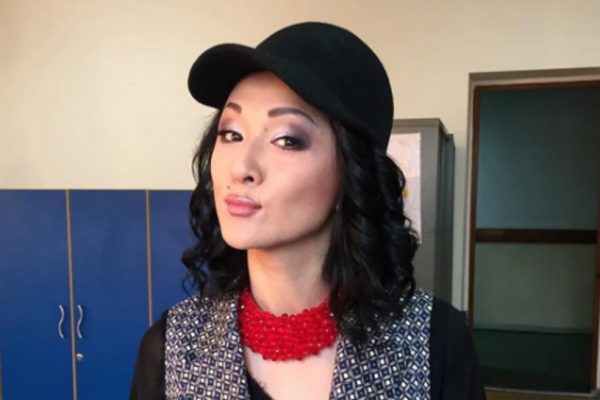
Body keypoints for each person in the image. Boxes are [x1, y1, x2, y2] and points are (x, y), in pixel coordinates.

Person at [130, 21, 486, 400]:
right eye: (231, 133)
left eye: (287, 140)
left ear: (351, 173)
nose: (241, 168)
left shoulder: (433, 343)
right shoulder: (172, 348)